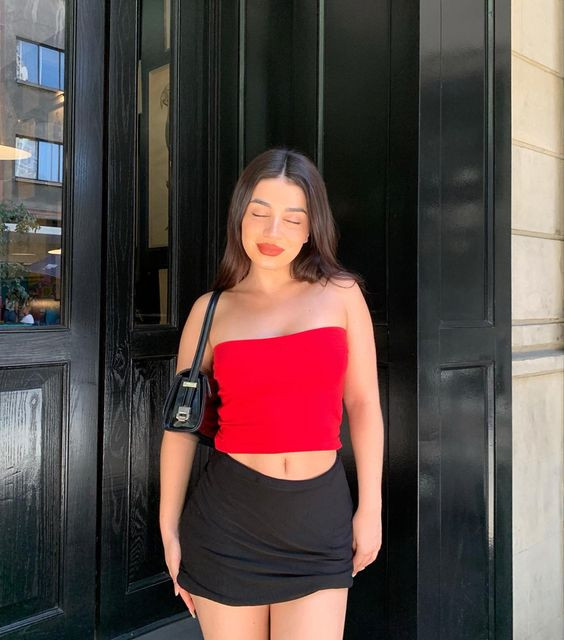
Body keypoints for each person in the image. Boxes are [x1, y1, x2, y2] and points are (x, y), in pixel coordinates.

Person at [159, 148, 384, 640]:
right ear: (240, 215)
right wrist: (168, 529)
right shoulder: (211, 311)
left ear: (310, 228)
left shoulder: (342, 295)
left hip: (317, 519)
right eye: (259, 213)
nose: (272, 231)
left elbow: (364, 404)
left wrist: (372, 508)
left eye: (292, 218)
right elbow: (181, 427)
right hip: (228, 522)